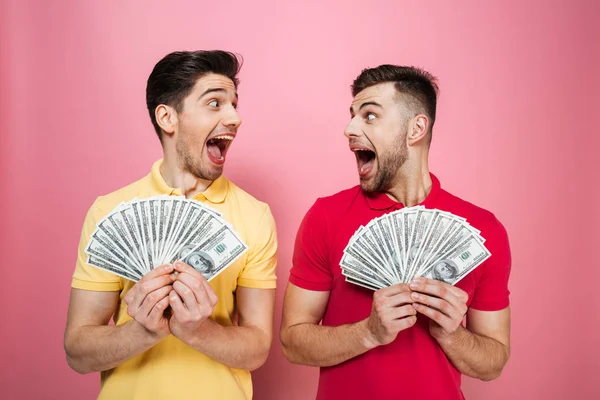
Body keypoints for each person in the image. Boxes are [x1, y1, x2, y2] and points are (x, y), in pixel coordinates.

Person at [280, 65, 512, 399]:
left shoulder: (483, 230)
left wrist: (451, 334)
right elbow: (292, 342)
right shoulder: (325, 217)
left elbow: (493, 363)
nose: (349, 128)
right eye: (352, 115)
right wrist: (369, 332)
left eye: (369, 116)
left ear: (416, 128)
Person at [64, 50, 278, 400]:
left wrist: (196, 330)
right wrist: (144, 331)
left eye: (235, 105)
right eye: (215, 103)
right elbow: (77, 351)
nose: (235, 118)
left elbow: (257, 348)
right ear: (167, 117)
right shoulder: (110, 211)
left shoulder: (255, 215)